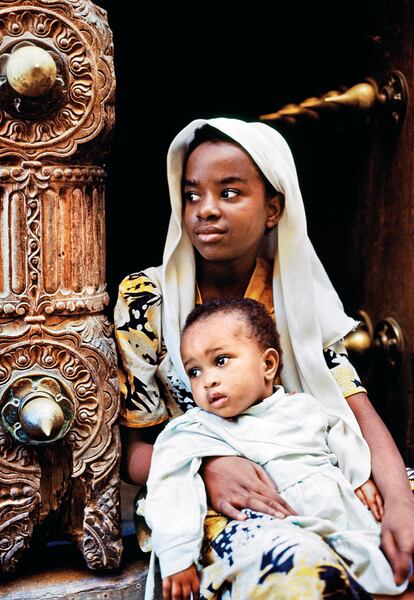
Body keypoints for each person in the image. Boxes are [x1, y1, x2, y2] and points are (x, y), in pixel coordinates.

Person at [114, 117, 414, 597]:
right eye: (192, 195)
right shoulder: (147, 300)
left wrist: (401, 505)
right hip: (216, 499)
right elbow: (136, 450)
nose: (205, 210)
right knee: (302, 573)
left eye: (229, 193)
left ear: (273, 208)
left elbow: (357, 413)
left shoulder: (293, 293)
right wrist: (209, 465)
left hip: (316, 472)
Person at [146, 297, 409, 599]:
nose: (207, 380)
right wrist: (177, 558)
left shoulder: (304, 407)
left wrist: (360, 477)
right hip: (280, 523)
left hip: (343, 516)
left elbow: (343, 435)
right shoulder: (194, 430)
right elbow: (169, 488)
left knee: (387, 570)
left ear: (267, 364)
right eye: (195, 372)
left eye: (220, 361)